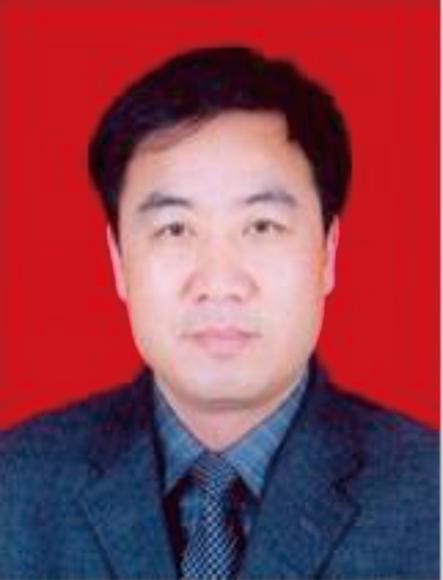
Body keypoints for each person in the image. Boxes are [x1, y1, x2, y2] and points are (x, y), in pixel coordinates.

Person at [0, 46, 438, 579]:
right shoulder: (15, 490)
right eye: (175, 230)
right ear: (118, 261)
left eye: (262, 227)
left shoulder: (429, 496)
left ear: (328, 253)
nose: (219, 283)